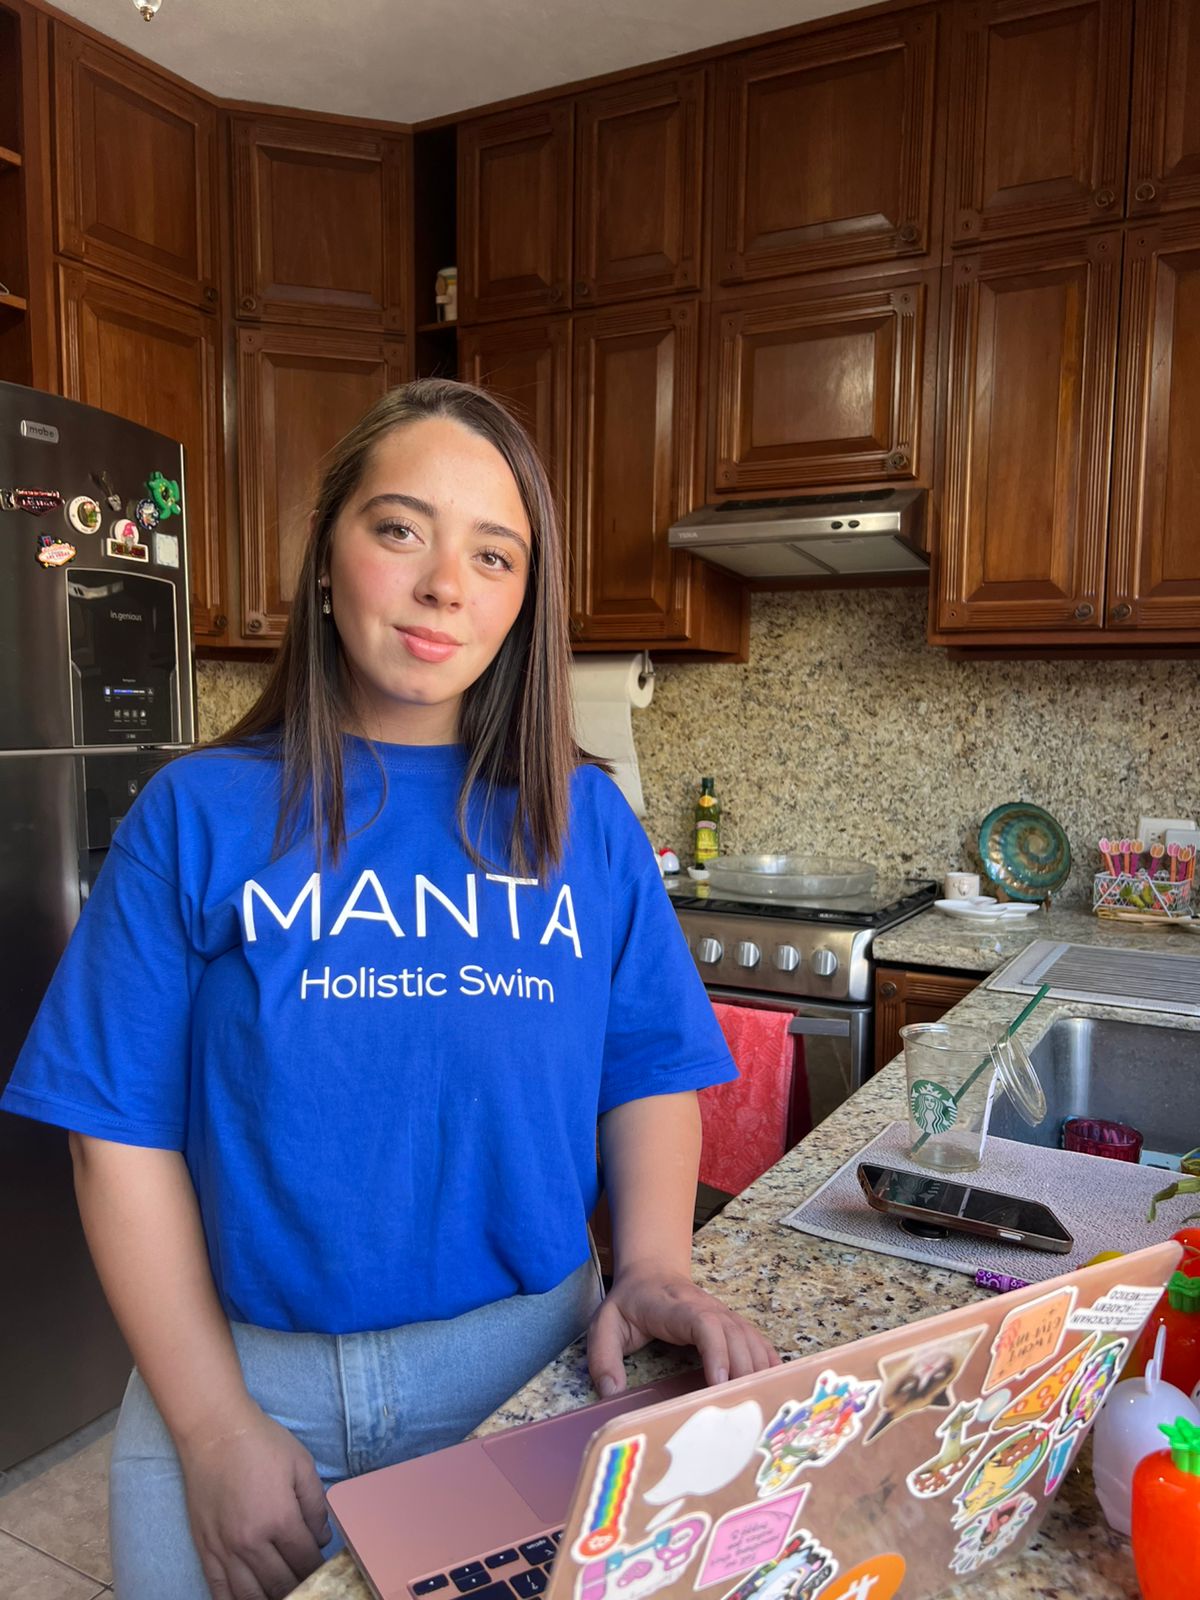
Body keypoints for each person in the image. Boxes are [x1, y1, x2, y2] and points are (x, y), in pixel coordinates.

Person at [0, 380, 779, 1600]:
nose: (444, 585)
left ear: (523, 600)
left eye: (494, 554)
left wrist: (655, 1271)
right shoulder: (194, 815)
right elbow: (115, 1135)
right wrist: (213, 1426)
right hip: (238, 1387)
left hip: (528, 1379)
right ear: (326, 561)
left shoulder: (587, 824)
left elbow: (646, 1071)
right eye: (401, 529)